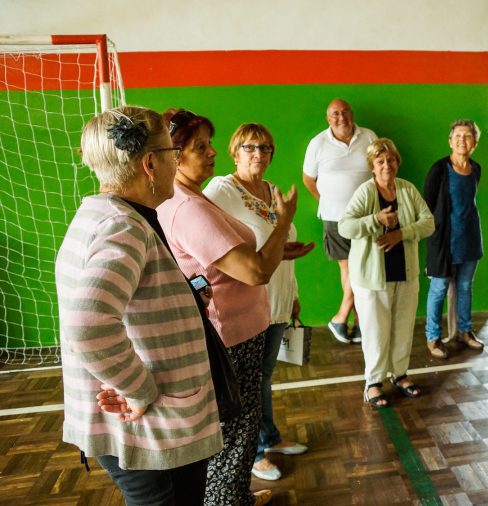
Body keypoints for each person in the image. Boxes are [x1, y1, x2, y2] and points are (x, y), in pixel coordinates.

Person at [57, 105, 222, 505]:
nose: (177, 162)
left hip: (147, 426)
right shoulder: (123, 227)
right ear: (150, 163)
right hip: (147, 424)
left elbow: (130, 301)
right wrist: (138, 388)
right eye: (173, 153)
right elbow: (90, 322)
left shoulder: (105, 215)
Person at [158, 109, 298, 506]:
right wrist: (284, 221)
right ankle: (227, 500)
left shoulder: (190, 196)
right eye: (200, 146)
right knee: (233, 437)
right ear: (174, 155)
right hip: (230, 336)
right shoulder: (189, 206)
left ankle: (237, 497)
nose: (211, 152)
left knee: (238, 431)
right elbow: (254, 271)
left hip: (238, 329)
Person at [204, 123, 315, 483]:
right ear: (234, 151)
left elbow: (279, 246)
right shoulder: (221, 190)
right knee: (248, 383)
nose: (259, 154)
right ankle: (251, 453)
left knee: (263, 377)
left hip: (278, 298)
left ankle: (269, 438)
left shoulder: (271, 191)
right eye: (250, 147)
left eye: (266, 148)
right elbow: (211, 243)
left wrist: (294, 292)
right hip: (246, 303)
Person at [338, 138, 434, 408]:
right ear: (372, 165)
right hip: (372, 277)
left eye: (390, 160)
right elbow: (346, 227)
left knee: (403, 327)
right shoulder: (366, 192)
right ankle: (373, 383)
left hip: (405, 273)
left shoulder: (408, 189)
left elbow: (428, 223)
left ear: (397, 162)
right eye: (380, 161)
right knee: (375, 331)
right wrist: (375, 221)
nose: (386, 165)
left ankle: (400, 375)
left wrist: (401, 233)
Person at [302, 99, 378, 345]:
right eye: (335, 114)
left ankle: (342, 317)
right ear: (328, 118)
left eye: (345, 112)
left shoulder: (369, 136)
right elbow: (308, 180)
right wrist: (327, 201)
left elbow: (378, 168)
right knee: (349, 268)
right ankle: (356, 321)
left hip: (367, 217)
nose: (341, 117)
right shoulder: (318, 143)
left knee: (362, 267)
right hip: (335, 217)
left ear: (352, 113)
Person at [422, 119, 485, 359]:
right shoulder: (439, 169)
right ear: (450, 141)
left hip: (469, 238)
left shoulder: (476, 168)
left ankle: (464, 331)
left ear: (474, 143)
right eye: (457, 136)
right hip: (443, 241)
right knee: (438, 289)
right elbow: (426, 206)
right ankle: (433, 337)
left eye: (467, 136)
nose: (462, 140)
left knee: (466, 287)